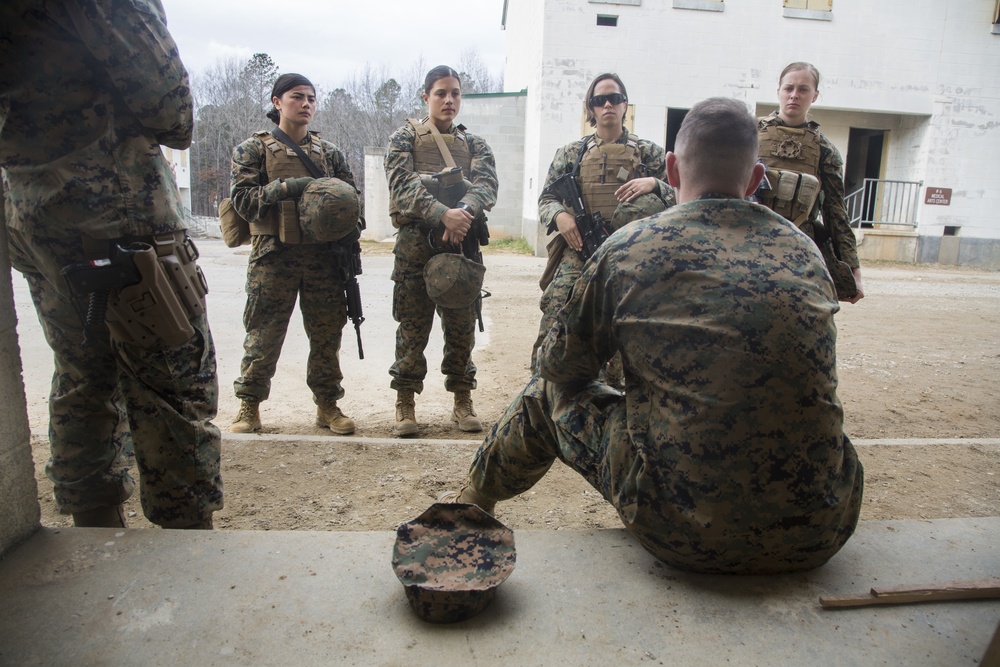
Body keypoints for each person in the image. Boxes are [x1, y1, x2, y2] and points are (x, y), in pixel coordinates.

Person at [444, 97, 864, 575]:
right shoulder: (805, 251)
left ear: (672, 170)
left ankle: (470, 507)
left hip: (683, 531)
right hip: (822, 527)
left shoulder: (630, 248)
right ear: (755, 178)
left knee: (546, 394)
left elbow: (561, 368)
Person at [0, 0, 222, 529]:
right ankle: (186, 551)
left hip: (30, 209)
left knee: (81, 372)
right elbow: (174, 113)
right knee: (173, 384)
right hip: (116, 213)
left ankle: (93, 533)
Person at [230, 73, 364, 435]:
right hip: (274, 256)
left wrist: (352, 230)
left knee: (326, 336)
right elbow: (243, 202)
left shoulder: (330, 153)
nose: (306, 104)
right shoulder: (253, 149)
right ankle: (249, 406)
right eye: (297, 97)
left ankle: (327, 406)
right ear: (277, 102)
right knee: (263, 334)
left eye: (311, 98)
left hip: (324, 260)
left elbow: (353, 203)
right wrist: (289, 187)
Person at [532, 72, 676, 379]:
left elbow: (682, 195)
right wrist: (560, 216)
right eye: (600, 100)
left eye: (615, 98)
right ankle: (543, 384)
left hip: (632, 254)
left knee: (627, 322)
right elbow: (546, 198)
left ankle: (618, 390)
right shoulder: (572, 153)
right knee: (557, 306)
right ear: (591, 109)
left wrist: (655, 184)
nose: (607, 104)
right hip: (581, 247)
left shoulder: (649, 153)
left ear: (625, 106)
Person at [384, 66, 498, 437]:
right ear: (425, 97)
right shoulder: (404, 138)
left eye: (455, 93)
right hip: (417, 246)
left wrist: (462, 213)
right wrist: (442, 215)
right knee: (413, 326)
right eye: (441, 93)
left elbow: (487, 187)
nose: (449, 100)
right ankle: (405, 401)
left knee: (461, 327)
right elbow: (401, 186)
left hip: (461, 245)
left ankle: (462, 399)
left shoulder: (475, 144)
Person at [757, 62, 865, 303]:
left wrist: (852, 269)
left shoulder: (825, 150)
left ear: (815, 95)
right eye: (789, 88)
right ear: (778, 91)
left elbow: (836, 212)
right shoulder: (748, 135)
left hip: (800, 246)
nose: (794, 95)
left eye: (803, 89)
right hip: (752, 239)